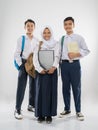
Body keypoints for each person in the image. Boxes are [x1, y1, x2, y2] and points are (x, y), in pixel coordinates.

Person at [59, 17, 90, 121]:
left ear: (73, 25)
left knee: (76, 88)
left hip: (75, 65)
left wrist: (76, 54)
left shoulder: (79, 38)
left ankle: (78, 110)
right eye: (66, 24)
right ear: (64, 26)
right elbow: (58, 53)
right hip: (64, 65)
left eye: (70, 24)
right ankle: (67, 109)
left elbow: (86, 50)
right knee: (65, 88)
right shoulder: (62, 39)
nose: (68, 26)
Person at [33, 26, 60, 123]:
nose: (47, 34)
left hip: (52, 71)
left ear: (51, 33)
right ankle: (40, 115)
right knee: (40, 92)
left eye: (48, 32)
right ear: (42, 34)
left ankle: (49, 115)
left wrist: (53, 67)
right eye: (44, 32)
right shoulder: (38, 44)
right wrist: (39, 69)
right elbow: (35, 58)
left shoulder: (56, 43)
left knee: (51, 92)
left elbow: (57, 56)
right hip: (41, 72)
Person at [14, 19, 38, 119]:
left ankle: (31, 105)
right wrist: (21, 65)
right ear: (25, 27)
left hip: (33, 64)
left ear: (34, 27)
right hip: (23, 63)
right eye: (28, 26)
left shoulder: (36, 40)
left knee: (33, 86)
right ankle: (17, 109)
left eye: (32, 26)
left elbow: (36, 53)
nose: (30, 27)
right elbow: (16, 53)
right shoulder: (21, 39)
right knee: (21, 87)